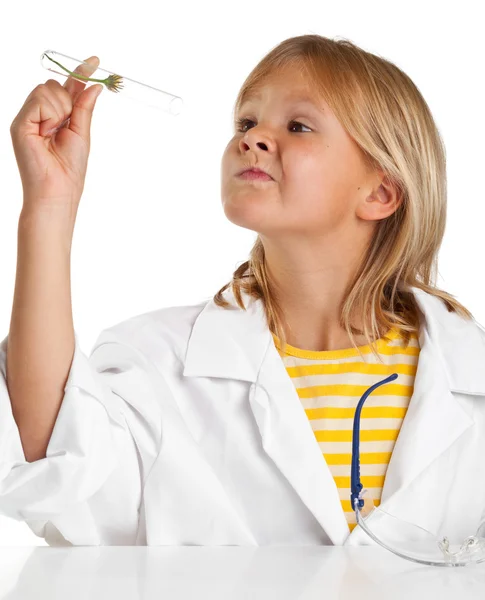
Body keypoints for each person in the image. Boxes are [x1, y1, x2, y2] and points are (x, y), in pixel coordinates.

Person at [1, 35, 484, 548]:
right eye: (246, 123)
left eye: (297, 126)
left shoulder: (469, 373)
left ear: (381, 192)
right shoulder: (158, 362)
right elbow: (55, 464)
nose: (252, 139)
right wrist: (50, 205)